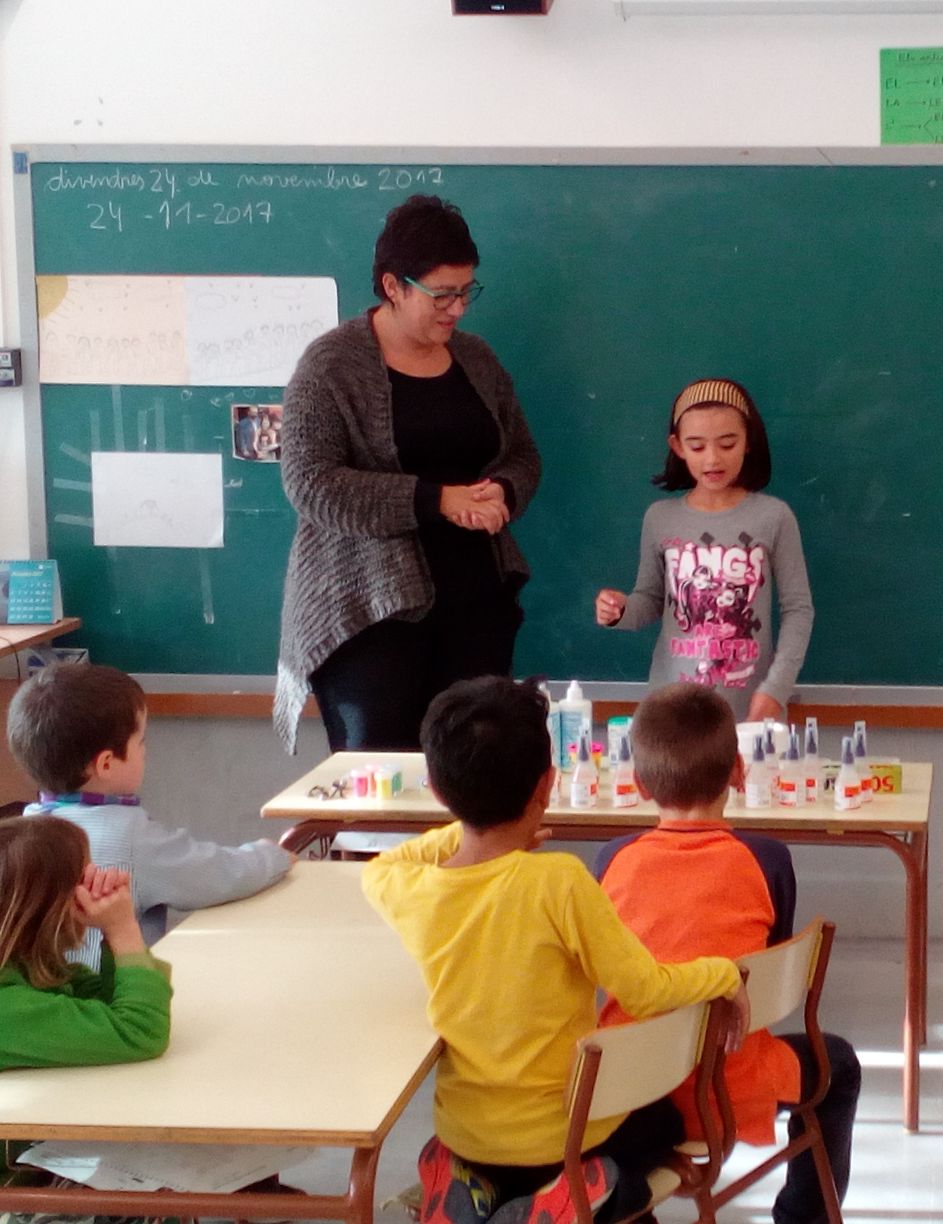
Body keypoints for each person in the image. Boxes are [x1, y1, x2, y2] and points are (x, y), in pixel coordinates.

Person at [361, 677, 747, 1224]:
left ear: (439, 793)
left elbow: (384, 866)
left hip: (466, 1133)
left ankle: (475, 1187)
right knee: (664, 1122)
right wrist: (724, 974)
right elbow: (645, 990)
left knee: (544, 1143)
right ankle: (581, 1194)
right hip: (562, 1136)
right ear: (547, 784)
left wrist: (470, 837)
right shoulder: (558, 882)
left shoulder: (408, 889)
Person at [275, 194, 541, 754]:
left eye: (466, 291)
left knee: (473, 773)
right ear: (393, 286)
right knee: (381, 783)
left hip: (475, 606)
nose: (458, 308)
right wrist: (436, 499)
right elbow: (311, 483)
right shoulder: (330, 367)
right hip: (369, 614)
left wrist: (503, 490)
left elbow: (521, 454)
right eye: (442, 294)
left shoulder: (477, 360)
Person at [594, 684, 860, 1224]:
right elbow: (769, 979)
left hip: (631, 1095)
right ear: (739, 772)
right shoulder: (767, 860)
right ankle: (802, 1218)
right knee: (840, 1065)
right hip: (729, 1085)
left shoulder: (611, 861)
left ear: (639, 784)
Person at [7, 664, 292, 958]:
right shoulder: (128, 836)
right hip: (120, 985)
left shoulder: (27, 831)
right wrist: (273, 856)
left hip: (49, 985)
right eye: (140, 742)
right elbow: (215, 876)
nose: (145, 751)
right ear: (106, 764)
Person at [594, 378, 812, 723]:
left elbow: (798, 609)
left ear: (748, 442)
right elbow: (650, 601)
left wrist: (776, 688)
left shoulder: (773, 517)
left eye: (727, 444)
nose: (712, 459)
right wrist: (620, 611)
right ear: (677, 446)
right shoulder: (660, 518)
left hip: (750, 714)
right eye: (696, 446)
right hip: (671, 710)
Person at [0, 815, 172, 1070]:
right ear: (50, 909)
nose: (96, 887)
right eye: (85, 880)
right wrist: (122, 930)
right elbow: (140, 1030)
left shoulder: (33, 966)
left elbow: (108, 1004)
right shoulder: (9, 1011)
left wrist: (116, 937)